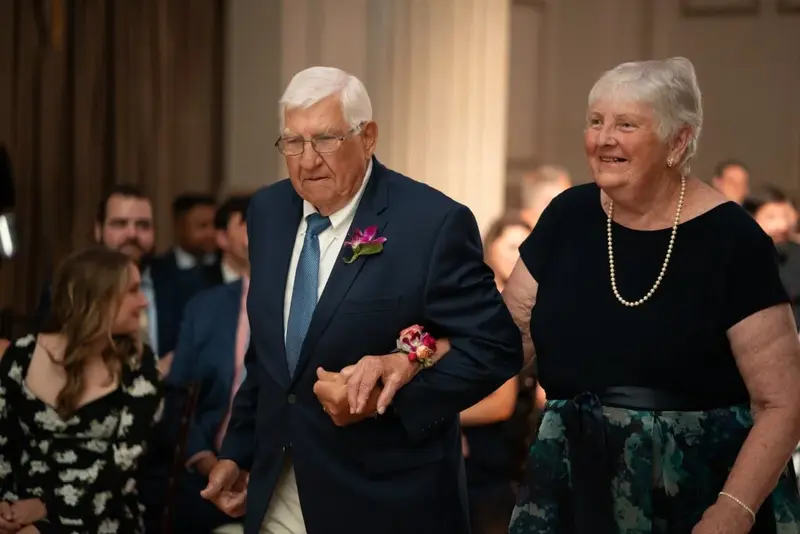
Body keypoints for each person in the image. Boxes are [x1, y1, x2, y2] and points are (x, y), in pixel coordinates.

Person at [200, 66, 522, 534]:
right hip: (277, 498)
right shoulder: (268, 212)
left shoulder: (430, 224)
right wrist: (238, 452)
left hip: (386, 501)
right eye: (292, 142)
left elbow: (495, 348)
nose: (307, 161)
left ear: (367, 136)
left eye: (326, 140)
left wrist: (388, 399)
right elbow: (268, 359)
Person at [506, 57, 800, 533]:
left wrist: (731, 512)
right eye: (596, 121)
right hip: (572, 483)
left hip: (696, 492)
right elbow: (504, 340)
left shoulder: (733, 239)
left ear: (678, 141)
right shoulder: (567, 216)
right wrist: (411, 361)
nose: (604, 138)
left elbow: (782, 402)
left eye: (625, 124)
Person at [0, 247, 164, 534]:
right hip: (18, 506)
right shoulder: (23, 355)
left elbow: (121, 466)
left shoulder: (138, 364)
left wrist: (46, 506)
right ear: (97, 298)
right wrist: (5, 505)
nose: (143, 302)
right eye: (133, 291)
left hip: (99, 511)